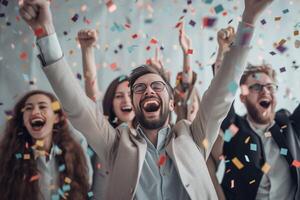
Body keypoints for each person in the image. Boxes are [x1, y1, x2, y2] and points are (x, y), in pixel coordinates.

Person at [19, 0, 273, 199]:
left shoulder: (194, 136)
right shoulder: (116, 144)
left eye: (157, 86)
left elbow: (221, 94)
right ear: (134, 102)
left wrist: (248, 20)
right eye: (139, 89)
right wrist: (45, 31)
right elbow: (77, 107)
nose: (149, 91)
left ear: (171, 103)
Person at [218, 64, 300, 200]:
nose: (265, 92)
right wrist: (228, 57)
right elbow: (223, 96)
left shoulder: (289, 125)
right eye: (256, 87)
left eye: (270, 87)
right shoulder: (234, 129)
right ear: (242, 97)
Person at [0, 90, 90, 200]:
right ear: (23, 121)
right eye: (29, 108)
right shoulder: (8, 158)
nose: (35, 112)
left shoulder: (75, 153)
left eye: (42, 107)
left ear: (56, 118)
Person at [78, 29, 135, 199]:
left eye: (130, 95)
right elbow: (92, 95)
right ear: (111, 103)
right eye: (119, 96)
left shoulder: (149, 136)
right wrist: (87, 50)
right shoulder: (102, 133)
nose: (125, 100)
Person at [174, 22, 201, 122]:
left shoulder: (207, 133)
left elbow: (187, 85)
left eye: (192, 99)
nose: (189, 103)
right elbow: (185, 85)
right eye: (181, 100)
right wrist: (186, 54)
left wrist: (187, 54)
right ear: (174, 107)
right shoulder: (171, 134)